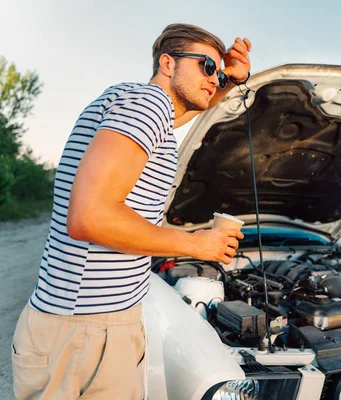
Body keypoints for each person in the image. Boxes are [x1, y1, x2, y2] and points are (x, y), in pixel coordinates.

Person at [11, 23, 251, 399]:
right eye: (206, 65)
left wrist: (230, 82)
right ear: (168, 63)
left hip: (85, 325)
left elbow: (184, 113)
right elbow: (90, 217)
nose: (213, 78)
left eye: (217, 72)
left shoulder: (140, 106)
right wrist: (196, 245)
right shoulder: (147, 105)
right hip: (86, 332)